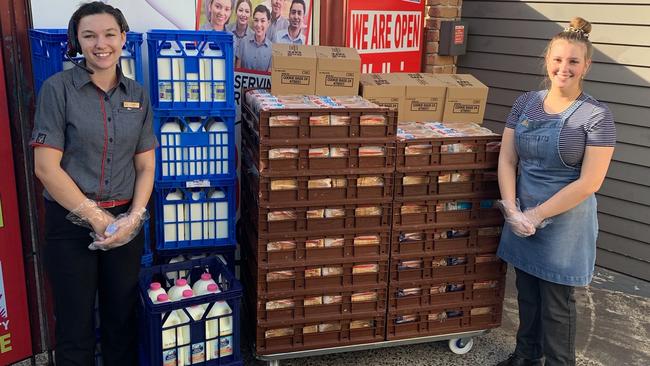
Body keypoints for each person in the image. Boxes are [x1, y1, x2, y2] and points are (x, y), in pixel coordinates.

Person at [31, 2, 155, 365]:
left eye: (109, 34)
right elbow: (46, 168)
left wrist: (132, 218)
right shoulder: (58, 90)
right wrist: (100, 220)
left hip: (125, 223)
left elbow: (146, 166)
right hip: (70, 224)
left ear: (123, 38)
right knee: (75, 326)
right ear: (77, 42)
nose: (101, 44)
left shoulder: (138, 94)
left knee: (121, 319)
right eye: (89, 36)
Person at [495, 17, 615, 366]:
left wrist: (536, 214)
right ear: (547, 60)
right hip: (521, 214)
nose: (564, 68)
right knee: (527, 294)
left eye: (573, 61)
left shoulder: (596, 116)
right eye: (558, 59)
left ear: (586, 66)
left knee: (556, 304)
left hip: (564, 223)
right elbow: (507, 157)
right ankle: (526, 356)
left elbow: (590, 183)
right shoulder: (525, 104)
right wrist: (512, 209)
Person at [236, 5, 272, 72]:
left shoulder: (272, 49)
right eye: (256, 20)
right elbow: (237, 71)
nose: (258, 25)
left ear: (268, 23)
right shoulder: (243, 42)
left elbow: (269, 77)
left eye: (262, 21)